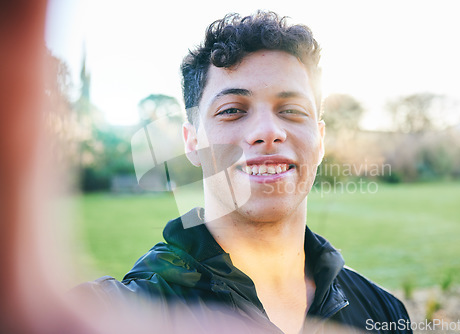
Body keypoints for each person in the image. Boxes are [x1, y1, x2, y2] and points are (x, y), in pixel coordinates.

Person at [82, 11, 412, 333]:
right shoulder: (119, 315)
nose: (268, 131)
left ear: (320, 140)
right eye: (233, 110)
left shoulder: (385, 313)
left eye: (292, 110)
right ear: (193, 142)